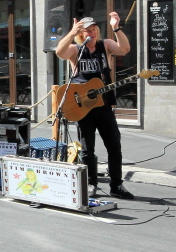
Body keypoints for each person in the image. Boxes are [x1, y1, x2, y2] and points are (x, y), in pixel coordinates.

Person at [55, 12, 134, 200]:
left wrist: (116, 28)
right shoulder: (76, 49)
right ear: (81, 34)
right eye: (87, 31)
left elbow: (124, 49)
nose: (92, 33)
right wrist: (71, 32)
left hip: (103, 105)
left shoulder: (105, 45)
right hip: (82, 106)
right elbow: (59, 52)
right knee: (87, 149)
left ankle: (117, 185)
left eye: (93, 30)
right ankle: (91, 184)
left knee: (114, 145)